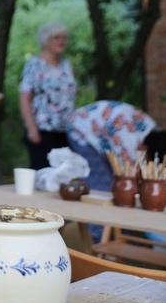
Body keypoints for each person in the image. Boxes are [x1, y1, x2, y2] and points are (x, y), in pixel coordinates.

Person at [66, 100, 159, 241]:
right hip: (80, 130)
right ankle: (100, 236)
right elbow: (129, 170)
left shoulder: (150, 129)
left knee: (117, 184)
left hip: (100, 133)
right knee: (102, 187)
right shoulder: (128, 136)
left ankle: (123, 231)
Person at [19, 22, 76, 170]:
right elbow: (25, 98)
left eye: (64, 37)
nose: (62, 41)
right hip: (43, 129)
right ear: (46, 40)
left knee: (64, 173)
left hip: (65, 130)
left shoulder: (66, 65)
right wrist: (31, 128)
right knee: (44, 173)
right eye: (57, 37)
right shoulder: (35, 64)